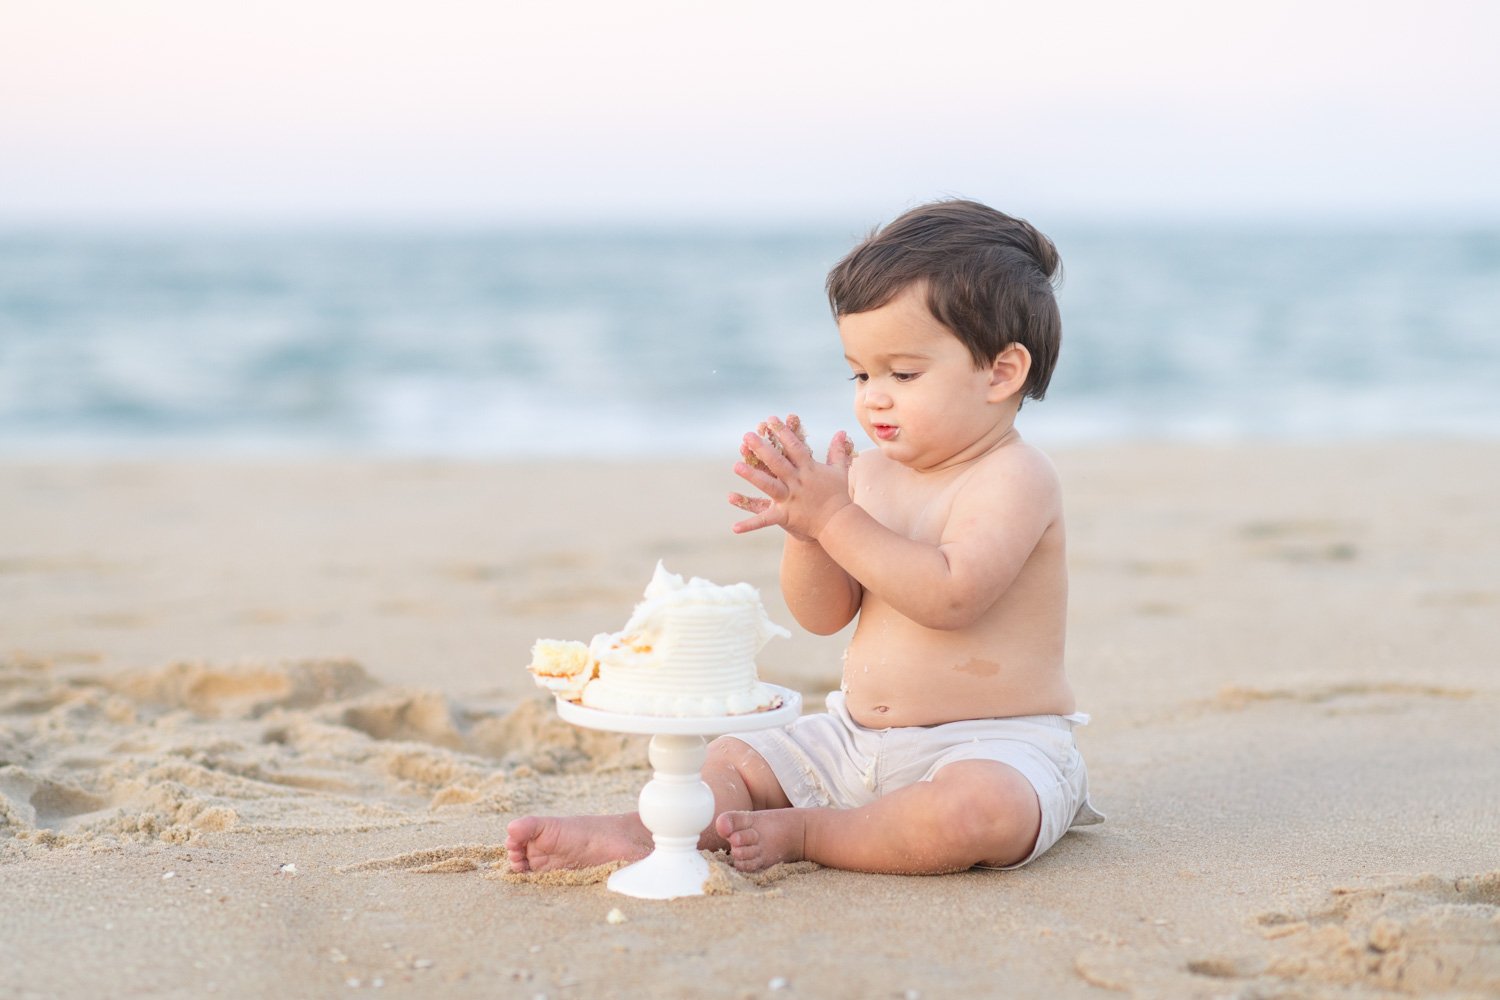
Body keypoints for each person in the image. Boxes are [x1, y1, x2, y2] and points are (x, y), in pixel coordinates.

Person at [506, 199, 1102, 876]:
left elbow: (951, 597)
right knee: (734, 757)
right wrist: (808, 533)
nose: (874, 396)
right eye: (861, 372)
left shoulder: (1014, 478)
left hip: (991, 744)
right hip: (854, 736)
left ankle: (814, 834)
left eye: (903, 374)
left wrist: (834, 520)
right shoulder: (870, 476)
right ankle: (643, 832)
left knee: (976, 815)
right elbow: (823, 616)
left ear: (1001, 372)